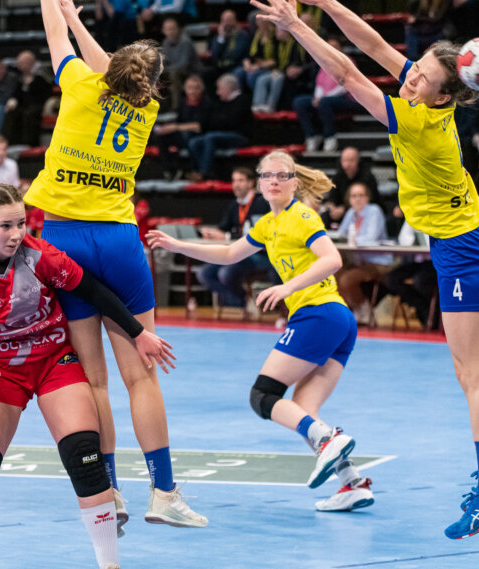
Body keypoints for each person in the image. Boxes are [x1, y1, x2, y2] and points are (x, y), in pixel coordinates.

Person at [253, 0, 479, 540]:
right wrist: (329, 2)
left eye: (423, 75)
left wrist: (296, 25)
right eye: (417, 64)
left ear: (442, 94)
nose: (413, 73)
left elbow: (350, 72)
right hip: (467, 230)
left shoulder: (419, 120)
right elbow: (376, 46)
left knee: (471, 374)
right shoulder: (428, 94)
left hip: (461, 248)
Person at [24, 0, 209, 533]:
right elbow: (116, 69)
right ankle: (165, 492)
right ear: (148, 82)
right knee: (142, 376)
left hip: (63, 239)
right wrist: (79, 20)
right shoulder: (146, 109)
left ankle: (108, 490)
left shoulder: (80, 86)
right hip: (119, 239)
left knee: (94, 381)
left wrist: (57, 8)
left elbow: (56, 39)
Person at [0, 184, 176, 568]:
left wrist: (138, 333)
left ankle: (110, 564)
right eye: (6, 226)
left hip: (53, 362)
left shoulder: (41, 255)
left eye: (21, 223)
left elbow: (95, 292)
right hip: (1, 369)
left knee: (85, 456)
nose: (17, 234)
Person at [148, 150, 375, 512]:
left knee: (263, 396)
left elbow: (332, 259)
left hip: (319, 313)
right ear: (259, 183)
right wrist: (178, 246)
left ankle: (330, 439)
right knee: (301, 409)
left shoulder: (301, 215)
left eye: (281, 176)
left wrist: (287, 289)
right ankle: (354, 483)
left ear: (294, 183)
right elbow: (227, 254)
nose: (273, 180)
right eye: (266, 175)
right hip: (336, 321)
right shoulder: (267, 224)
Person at [196, 167, 276, 309]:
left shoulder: (261, 203)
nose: (236, 185)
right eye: (234, 181)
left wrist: (227, 236)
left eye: (240, 180)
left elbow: (257, 235)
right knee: (204, 273)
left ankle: (243, 304)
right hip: (238, 253)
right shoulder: (235, 205)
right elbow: (223, 228)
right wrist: (212, 233)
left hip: (259, 254)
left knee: (226, 273)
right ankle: (241, 302)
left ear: (251, 183)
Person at [293, 38, 365, 152]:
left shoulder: (348, 62)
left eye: (335, 47)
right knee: (300, 102)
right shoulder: (324, 63)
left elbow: (345, 86)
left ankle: (330, 136)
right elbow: (319, 84)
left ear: (340, 49)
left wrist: (322, 98)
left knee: (324, 102)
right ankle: (312, 136)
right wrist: (317, 97)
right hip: (325, 99)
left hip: (347, 99)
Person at [334, 182, 392, 322]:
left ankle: (364, 311)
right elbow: (341, 235)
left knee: (347, 279)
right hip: (359, 262)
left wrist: (352, 239)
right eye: (354, 196)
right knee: (332, 274)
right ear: (349, 199)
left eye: (361, 195)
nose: (357, 199)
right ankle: (352, 309)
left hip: (379, 262)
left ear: (367, 198)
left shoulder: (374, 211)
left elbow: (370, 238)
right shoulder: (350, 213)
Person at [186, 73, 252, 181]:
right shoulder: (220, 102)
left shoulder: (242, 100)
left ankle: (205, 173)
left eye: (220, 88)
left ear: (228, 88)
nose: (218, 92)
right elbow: (214, 121)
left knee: (210, 137)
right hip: (222, 135)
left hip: (241, 136)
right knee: (194, 142)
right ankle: (197, 171)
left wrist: (217, 123)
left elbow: (231, 123)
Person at [153, 74, 210, 180]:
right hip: (182, 135)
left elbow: (198, 126)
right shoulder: (183, 102)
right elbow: (178, 121)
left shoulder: (206, 103)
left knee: (187, 136)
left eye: (195, 88)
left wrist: (175, 127)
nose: (192, 91)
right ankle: (170, 171)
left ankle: (195, 171)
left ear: (201, 90)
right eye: (189, 88)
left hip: (199, 135)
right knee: (161, 136)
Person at [1, 51, 52, 147]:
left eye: (22, 63)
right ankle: (9, 142)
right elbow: (17, 94)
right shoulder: (20, 76)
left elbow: (45, 93)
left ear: (30, 62)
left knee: (28, 114)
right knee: (12, 113)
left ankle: (29, 143)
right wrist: (12, 101)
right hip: (24, 105)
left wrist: (31, 82)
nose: (19, 66)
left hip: (39, 105)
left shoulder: (41, 75)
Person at [320, 147, 379, 229]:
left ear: (358, 161)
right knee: (325, 215)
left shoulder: (367, 177)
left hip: (360, 211)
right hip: (339, 212)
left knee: (353, 213)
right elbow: (332, 198)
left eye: (351, 160)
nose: (347, 164)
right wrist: (332, 207)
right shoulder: (338, 177)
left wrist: (344, 209)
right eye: (344, 160)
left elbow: (372, 200)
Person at [160, 17, 199, 112]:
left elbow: (183, 65)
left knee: (173, 74)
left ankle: (175, 108)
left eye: (173, 28)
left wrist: (166, 70)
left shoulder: (185, 42)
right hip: (174, 72)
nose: (171, 32)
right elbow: (163, 64)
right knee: (156, 76)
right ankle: (159, 108)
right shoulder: (165, 43)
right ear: (164, 31)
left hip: (191, 72)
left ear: (178, 29)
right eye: (168, 29)